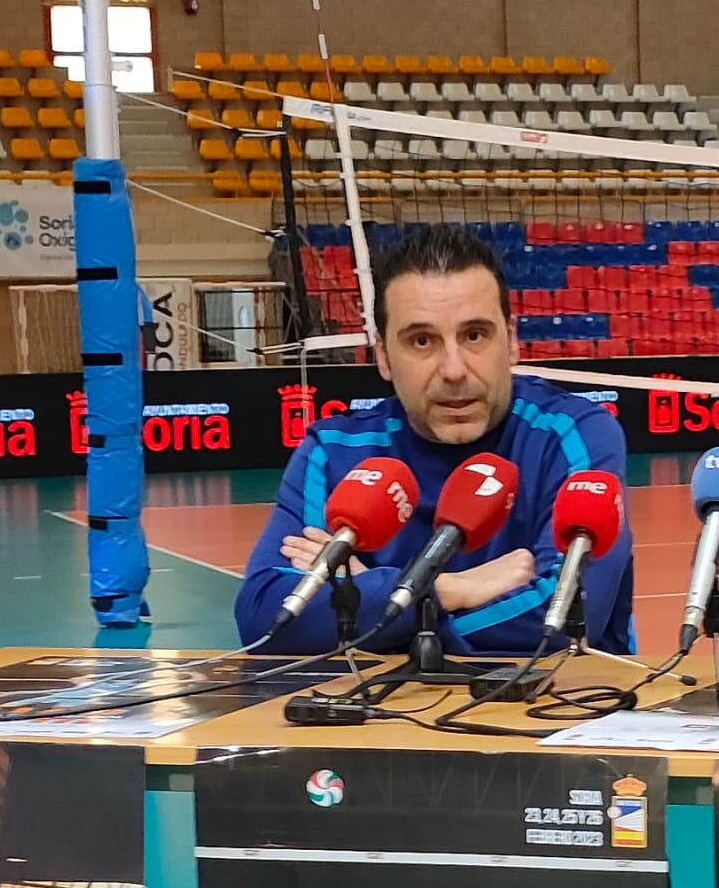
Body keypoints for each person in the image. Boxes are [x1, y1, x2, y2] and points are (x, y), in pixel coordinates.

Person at [235, 224, 635, 655]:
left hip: (554, 712)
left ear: (513, 341)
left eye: (475, 336)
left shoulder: (574, 436)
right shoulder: (333, 452)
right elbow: (267, 620)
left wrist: (371, 601)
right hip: (374, 717)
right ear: (383, 357)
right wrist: (447, 589)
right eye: (422, 341)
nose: (454, 370)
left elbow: (563, 622)